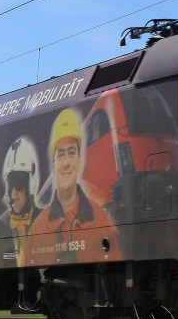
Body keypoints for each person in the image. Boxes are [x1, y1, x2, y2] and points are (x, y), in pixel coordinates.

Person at [29, 108, 119, 265]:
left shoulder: (100, 219)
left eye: (71, 153)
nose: (66, 163)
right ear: (53, 164)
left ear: (79, 159)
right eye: (61, 154)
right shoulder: (38, 229)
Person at [1, 137, 40, 266]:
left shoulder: (45, 220)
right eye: (10, 184)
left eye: (18, 182)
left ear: (30, 183)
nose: (13, 192)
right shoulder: (1, 224)